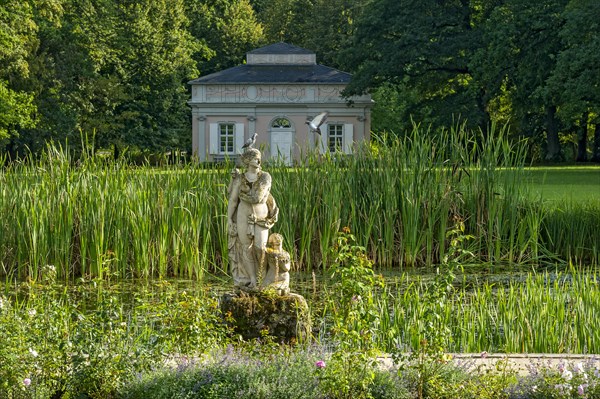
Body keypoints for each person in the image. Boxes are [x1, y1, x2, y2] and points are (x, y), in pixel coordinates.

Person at [227, 148, 278, 288]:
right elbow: (233, 200)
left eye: (259, 158)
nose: (258, 160)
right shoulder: (240, 178)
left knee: (260, 247)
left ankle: (261, 276)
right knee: (246, 247)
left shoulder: (265, 177)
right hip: (243, 215)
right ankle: (253, 278)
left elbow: (258, 197)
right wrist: (229, 219)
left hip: (261, 217)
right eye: (255, 158)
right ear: (248, 161)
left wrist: (243, 196)